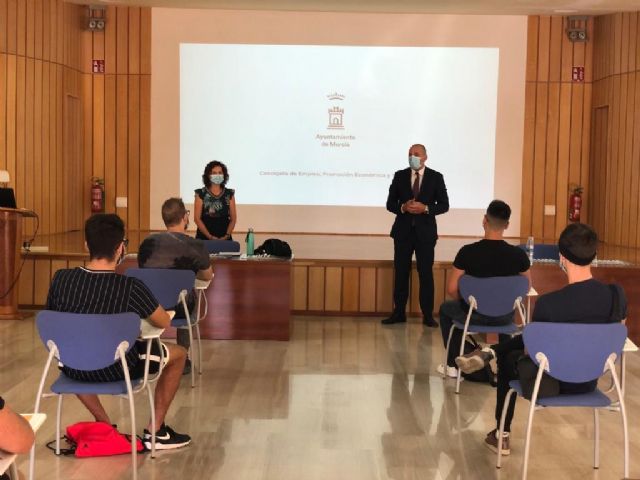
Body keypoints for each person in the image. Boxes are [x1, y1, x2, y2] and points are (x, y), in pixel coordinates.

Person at [456, 223, 626, 456]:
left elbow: (532, 351)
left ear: (561, 258)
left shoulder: (549, 304)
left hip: (551, 384)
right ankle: (492, 351)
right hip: (589, 381)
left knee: (511, 357)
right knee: (532, 339)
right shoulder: (615, 295)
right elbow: (614, 336)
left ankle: (501, 433)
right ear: (594, 255)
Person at [46, 214, 191, 450]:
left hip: (73, 366)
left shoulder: (61, 279)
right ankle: (156, 432)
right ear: (120, 248)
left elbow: (55, 321)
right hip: (119, 367)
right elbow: (163, 322)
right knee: (179, 354)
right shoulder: (131, 287)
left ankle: (104, 423)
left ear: (86, 245)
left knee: (75, 352)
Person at [436, 200, 530, 378]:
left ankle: (453, 365)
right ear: (507, 225)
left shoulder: (467, 252)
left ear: (484, 220)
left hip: (474, 314)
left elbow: (452, 289)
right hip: (504, 317)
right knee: (506, 312)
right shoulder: (519, 255)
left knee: (445, 309)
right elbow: (526, 287)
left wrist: (468, 303)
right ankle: (504, 368)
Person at [138, 198, 213, 375]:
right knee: (189, 298)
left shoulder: (147, 244)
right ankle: (183, 358)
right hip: (181, 308)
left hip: (151, 306)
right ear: (185, 217)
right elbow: (207, 275)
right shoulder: (195, 245)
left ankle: (151, 354)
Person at [383, 144, 449, 327]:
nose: (412, 157)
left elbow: (444, 205)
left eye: (416, 154)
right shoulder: (400, 175)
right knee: (401, 272)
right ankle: (399, 312)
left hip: (425, 234)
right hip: (402, 233)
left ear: (425, 157)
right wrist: (403, 207)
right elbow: (390, 204)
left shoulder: (436, 177)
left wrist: (425, 208)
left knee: (425, 273)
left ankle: (427, 315)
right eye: (410, 154)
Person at [194, 160, 237, 240]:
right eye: (214, 173)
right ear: (208, 175)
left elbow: (233, 219)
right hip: (204, 238)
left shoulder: (229, 194)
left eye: (220, 173)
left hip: (225, 238)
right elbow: (197, 219)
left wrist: (226, 236)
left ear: (224, 175)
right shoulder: (200, 193)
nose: (217, 175)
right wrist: (210, 237)